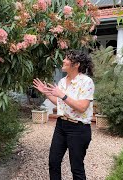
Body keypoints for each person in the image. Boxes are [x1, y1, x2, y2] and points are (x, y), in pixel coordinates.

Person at [33, 50, 94, 180]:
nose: (63, 60)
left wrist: (62, 94)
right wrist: (46, 92)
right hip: (61, 126)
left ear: (76, 64)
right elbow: (60, 103)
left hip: (79, 129)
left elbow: (82, 107)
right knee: (53, 162)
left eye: (67, 58)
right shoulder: (62, 81)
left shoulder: (86, 82)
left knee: (76, 168)